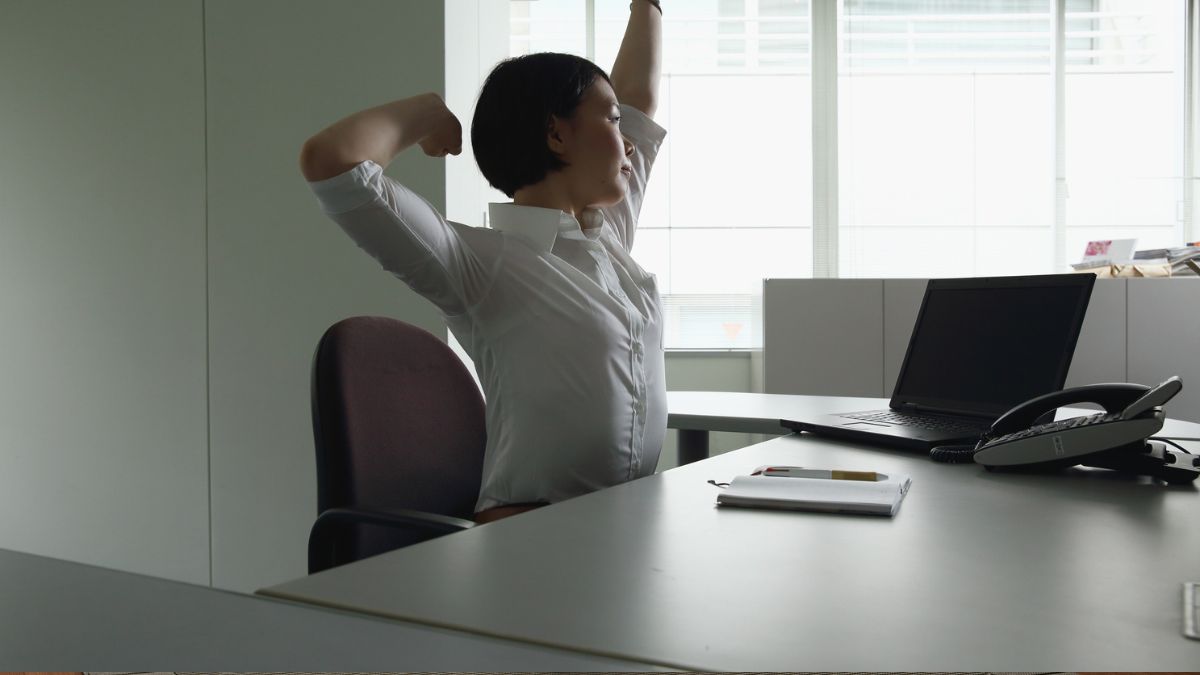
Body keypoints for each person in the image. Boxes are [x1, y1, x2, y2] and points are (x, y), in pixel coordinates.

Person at [299, 0, 664, 524]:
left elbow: (638, 101)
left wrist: (647, 7)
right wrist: (426, 114)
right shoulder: (480, 263)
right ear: (557, 134)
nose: (628, 138)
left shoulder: (606, 238)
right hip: (530, 535)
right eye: (608, 118)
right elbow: (331, 163)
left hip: (621, 525)